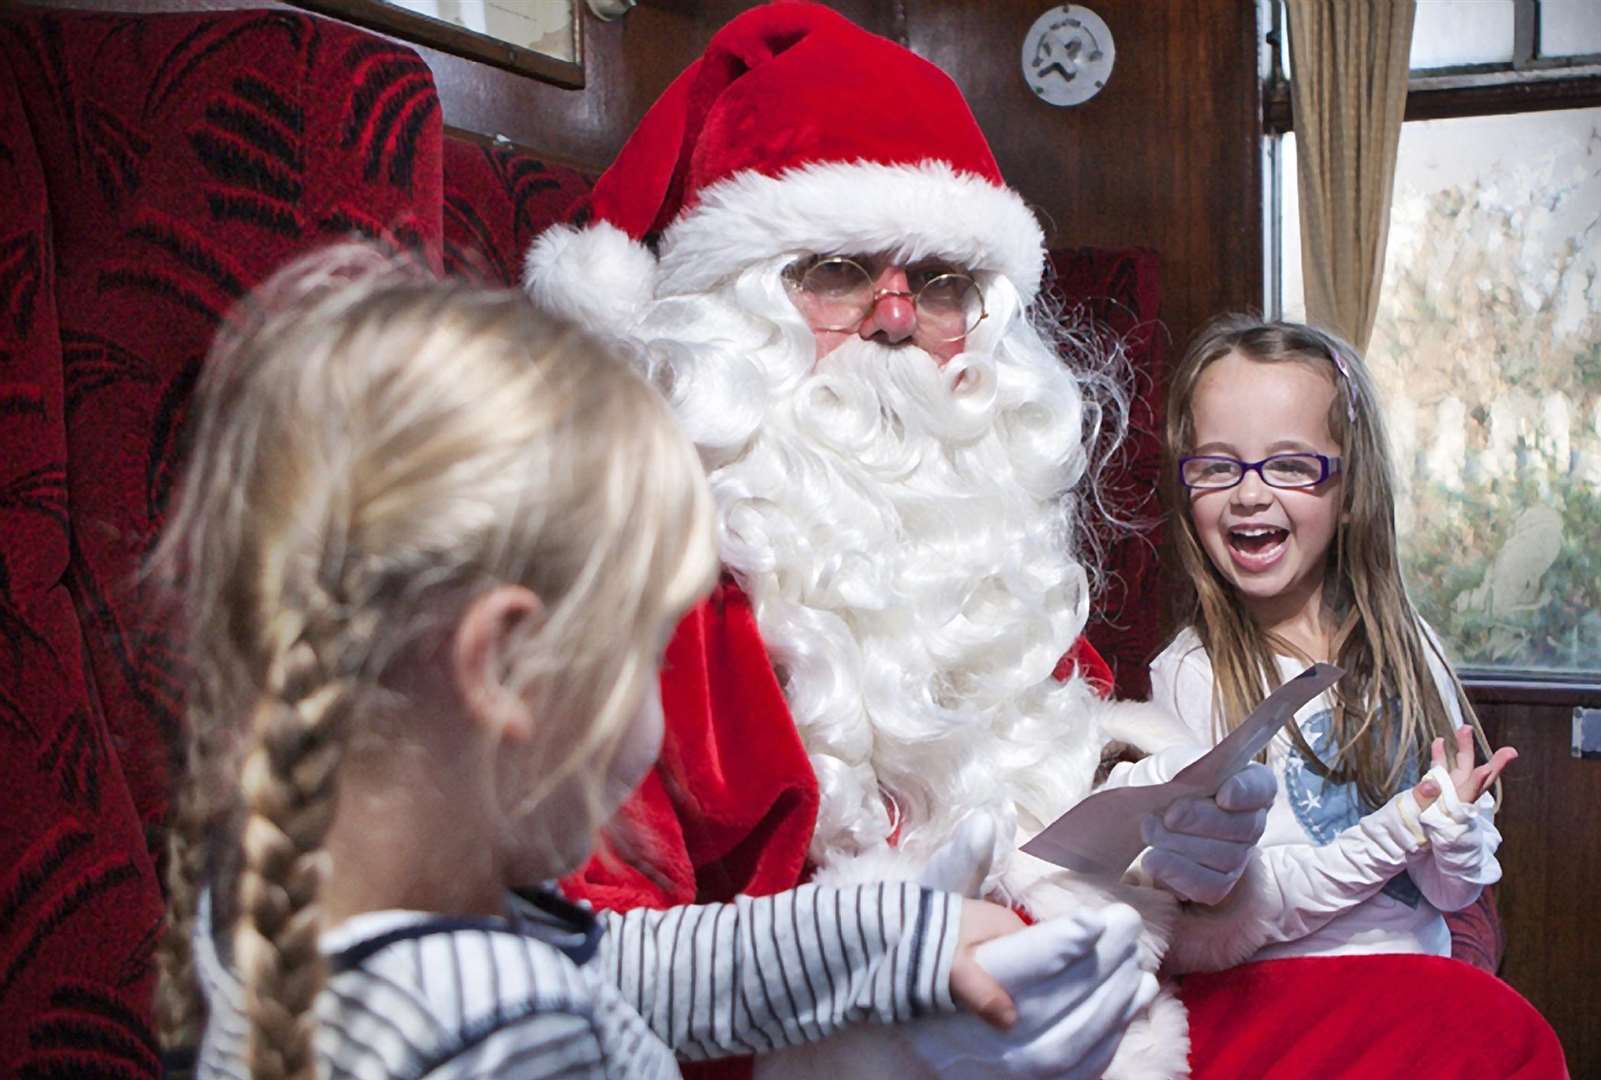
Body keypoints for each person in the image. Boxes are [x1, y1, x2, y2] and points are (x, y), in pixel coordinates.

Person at [148, 245, 1159, 1079]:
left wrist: (899, 941)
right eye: (645, 646)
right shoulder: (508, 1034)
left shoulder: (301, 913)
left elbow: (629, 963)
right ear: (499, 667)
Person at [525, 4, 1272, 1076]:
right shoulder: (635, 581)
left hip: (1086, 1022)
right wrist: (878, 997)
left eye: (936, 283)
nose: (889, 316)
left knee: (1449, 1023)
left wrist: (1173, 841)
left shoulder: (980, 549)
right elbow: (565, 967)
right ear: (720, 314)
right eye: (832, 270)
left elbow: (1068, 795)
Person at [1136, 316, 1518, 973]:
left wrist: (1452, 830)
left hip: (1423, 982)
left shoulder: (1408, 647)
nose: (1249, 494)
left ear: (1349, 494)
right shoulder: (1190, 673)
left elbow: (1451, 893)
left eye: (1288, 465)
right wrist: (1399, 830)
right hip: (1292, 993)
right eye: (1217, 467)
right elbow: (1243, 908)